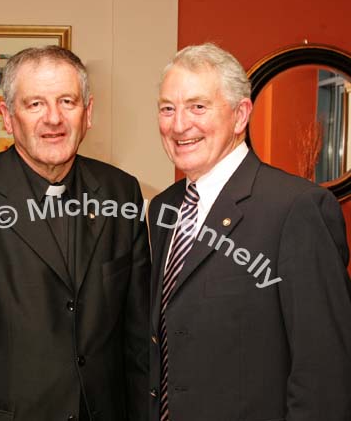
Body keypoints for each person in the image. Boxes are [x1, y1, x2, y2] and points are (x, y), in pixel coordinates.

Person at [0, 46, 150, 421]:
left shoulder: (120, 192)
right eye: (34, 104)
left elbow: (139, 336)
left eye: (67, 101)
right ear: (7, 117)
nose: (54, 119)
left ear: (88, 112)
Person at [148, 42, 351, 421]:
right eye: (167, 108)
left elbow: (324, 373)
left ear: (240, 115)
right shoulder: (164, 208)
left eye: (198, 107)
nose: (179, 125)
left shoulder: (296, 208)